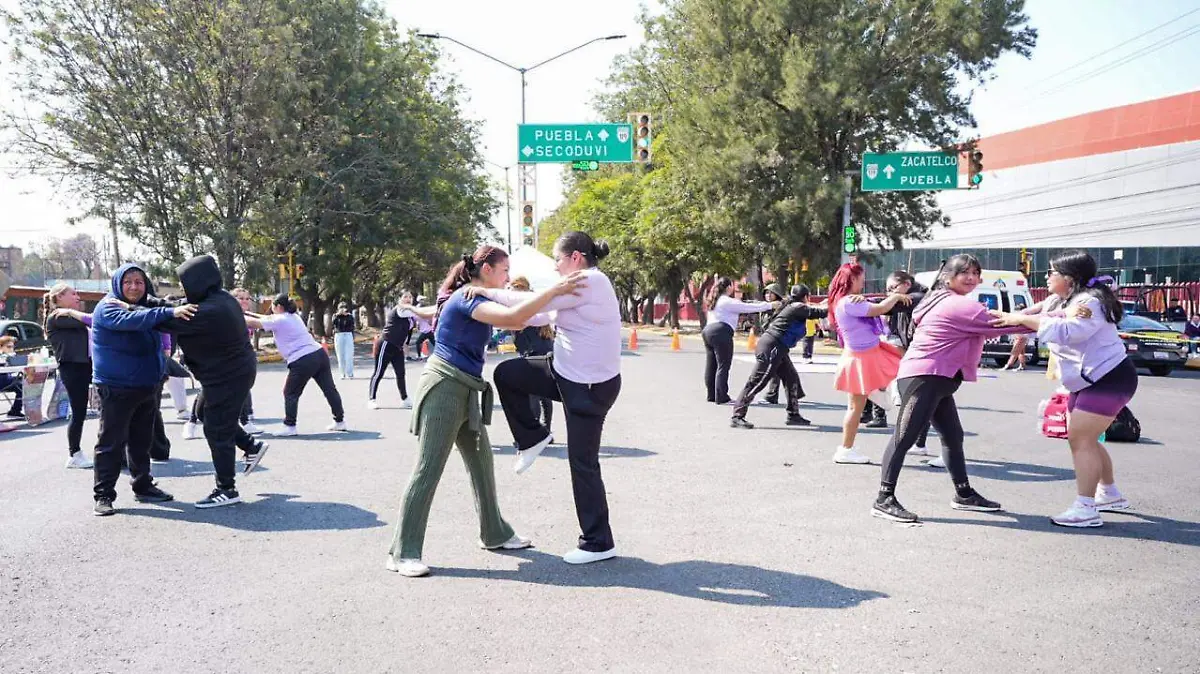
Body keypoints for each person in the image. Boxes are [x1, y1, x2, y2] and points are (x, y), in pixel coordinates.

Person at [385, 246, 584, 578]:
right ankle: (401, 551)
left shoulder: (479, 296)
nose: (508, 276)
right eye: (505, 270)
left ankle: (494, 533)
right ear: (488, 270)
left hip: (465, 388)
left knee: (482, 463)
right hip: (445, 388)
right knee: (428, 468)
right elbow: (513, 319)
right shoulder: (467, 297)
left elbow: (526, 314)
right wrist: (555, 291)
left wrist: (558, 305)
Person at [481, 233, 624, 565]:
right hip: (565, 374)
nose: (556, 268)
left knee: (583, 465)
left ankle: (598, 542)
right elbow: (537, 315)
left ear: (575, 257)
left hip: (588, 388)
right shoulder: (577, 289)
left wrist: (485, 292)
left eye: (558, 261)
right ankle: (533, 437)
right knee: (508, 374)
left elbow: (539, 303)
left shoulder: (588, 280)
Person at [870, 255, 1034, 523]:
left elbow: (1004, 318)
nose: (971, 277)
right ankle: (883, 498)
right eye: (964, 273)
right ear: (948, 277)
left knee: (953, 435)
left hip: (938, 377)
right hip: (926, 377)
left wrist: (1047, 310)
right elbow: (1003, 323)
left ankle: (964, 494)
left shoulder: (942, 299)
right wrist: (1057, 315)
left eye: (975, 273)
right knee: (904, 436)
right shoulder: (957, 305)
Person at [990, 251, 1137, 528]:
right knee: (1087, 439)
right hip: (1086, 379)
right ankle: (1110, 494)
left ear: (1069, 279)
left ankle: (1086, 508)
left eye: (1051, 273)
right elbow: (1028, 317)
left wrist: (1013, 319)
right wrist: (1003, 319)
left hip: (1109, 377)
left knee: (1080, 440)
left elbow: (1069, 331)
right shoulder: (1060, 298)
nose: (1047, 277)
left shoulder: (1088, 302)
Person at [159, 255, 268, 507]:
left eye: (185, 283)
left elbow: (166, 320)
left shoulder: (211, 309)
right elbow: (178, 305)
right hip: (229, 372)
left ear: (198, 281)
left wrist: (133, 309)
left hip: (228, 376)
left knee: (216, 428)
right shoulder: (219, 298)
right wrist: (157, 302)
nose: (184, 289)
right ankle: (251, 446)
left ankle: (226, 489)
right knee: (205, 414)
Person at [89, 263, 196, 516]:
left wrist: (178, 309)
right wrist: (169, 313)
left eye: (139, 282)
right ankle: (103, 495)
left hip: (147, 384)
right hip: (116, 387)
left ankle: (143, 486)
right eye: (128, 282)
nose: (134, 287)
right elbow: (136, 320)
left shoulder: (146, 304)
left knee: (141, 441)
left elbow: (160, 310)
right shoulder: (108, 307)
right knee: (110, 443)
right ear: (117, 284)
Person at [827, 263, 911, 465]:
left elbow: (877, 306)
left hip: (865, 354)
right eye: (861, 278)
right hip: (862, 357)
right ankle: (846, 449)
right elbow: (880, 309)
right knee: (856, 407)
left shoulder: (847, 301)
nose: (864, 282)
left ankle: (847, 448)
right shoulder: (849, 302)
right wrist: (897, 296)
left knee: (857, 406)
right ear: (852, 279)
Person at [245, 294, 346, 436]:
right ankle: (340, 421)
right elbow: (264, 318)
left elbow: (254, 323)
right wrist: (246, 313)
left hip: (302, 359)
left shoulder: (279, 319)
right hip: (318, 354)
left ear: (278, 307)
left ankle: (290, 426)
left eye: (272, 306)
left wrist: (232, 313)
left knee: (290, 392)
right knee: (329, 389)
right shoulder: (293, 316)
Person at [730, 284, 825, 429]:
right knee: (757, 382)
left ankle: (793, 414)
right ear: (806, 296)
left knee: (791, 378)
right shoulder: (798, 307)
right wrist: (837, 302)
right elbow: (820, 312)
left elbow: (816, 308)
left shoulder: (793, 305)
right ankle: (737, 416)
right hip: (772, 347)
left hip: (778, 348)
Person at [700, 277, 777, 404]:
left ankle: (712, 395)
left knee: (711, 365)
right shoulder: (727, 301)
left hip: (708, 331)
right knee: (723, 365)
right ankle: (722, 397)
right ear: (729, 287)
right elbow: (747, 307)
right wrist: (770, 305)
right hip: (721, 332)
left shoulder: (715, 300)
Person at [43, 283, 95, 468]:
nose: (77, 297)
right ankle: (74, 454)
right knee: (78, 410)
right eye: (73, 294)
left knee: (103, 406)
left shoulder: (68, 316)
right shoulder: (57, 317)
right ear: (59, 297)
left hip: (86, 365)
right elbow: (91, 320)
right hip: (72, 368)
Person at [510, 277, 555, 433]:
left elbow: (516, 324)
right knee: (545, 395)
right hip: (547, 352)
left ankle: (536, 433)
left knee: (533, 394)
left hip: (533, 354)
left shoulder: (523, 305)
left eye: (512, 288)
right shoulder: (536, 301)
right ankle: (546, 431)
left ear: (518, 289)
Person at [368, 292, 415, 409]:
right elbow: (416, 312)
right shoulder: (399, 310)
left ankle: (404, 399)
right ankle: (371, 399)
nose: (408, 299)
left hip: (398, 348)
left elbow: (407, 332)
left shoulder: (410, 316)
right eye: (405, 297)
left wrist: (405, 344)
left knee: (401, 373)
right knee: (379, 373)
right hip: (386, 344)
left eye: (410, 297)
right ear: (400, 299)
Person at [759, 283, 788, 404]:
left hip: (778, 341)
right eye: (766, 293)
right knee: (785, 369)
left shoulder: (780, 308)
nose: (768, 295)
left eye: (771, 293)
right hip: (770, 341)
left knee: (774, 368)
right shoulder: (766, 307)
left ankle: (772, 394)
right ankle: (796, 392)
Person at [0, 336, 25, 419]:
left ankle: (15, 410)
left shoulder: (10, 355)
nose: (11, 349)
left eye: (12, 347)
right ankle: (15, 410)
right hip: (3, 381)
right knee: (21, 386)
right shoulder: (3, 357)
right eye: (8, 347)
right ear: (1, 347)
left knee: (24, 385)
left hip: (6, 380)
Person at [332, 302, 356, 379]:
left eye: (344, 308)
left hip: (348, 334)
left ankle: (350, 373)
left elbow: (352, 325)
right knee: (340, 355)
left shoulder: (350, 316)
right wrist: (338, 314)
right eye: (341, 308)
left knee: (349, 355)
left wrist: (347, 316)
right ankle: (342, 373)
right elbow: (333, 323)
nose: (343, 310)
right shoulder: (335, 316)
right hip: (339, 335)